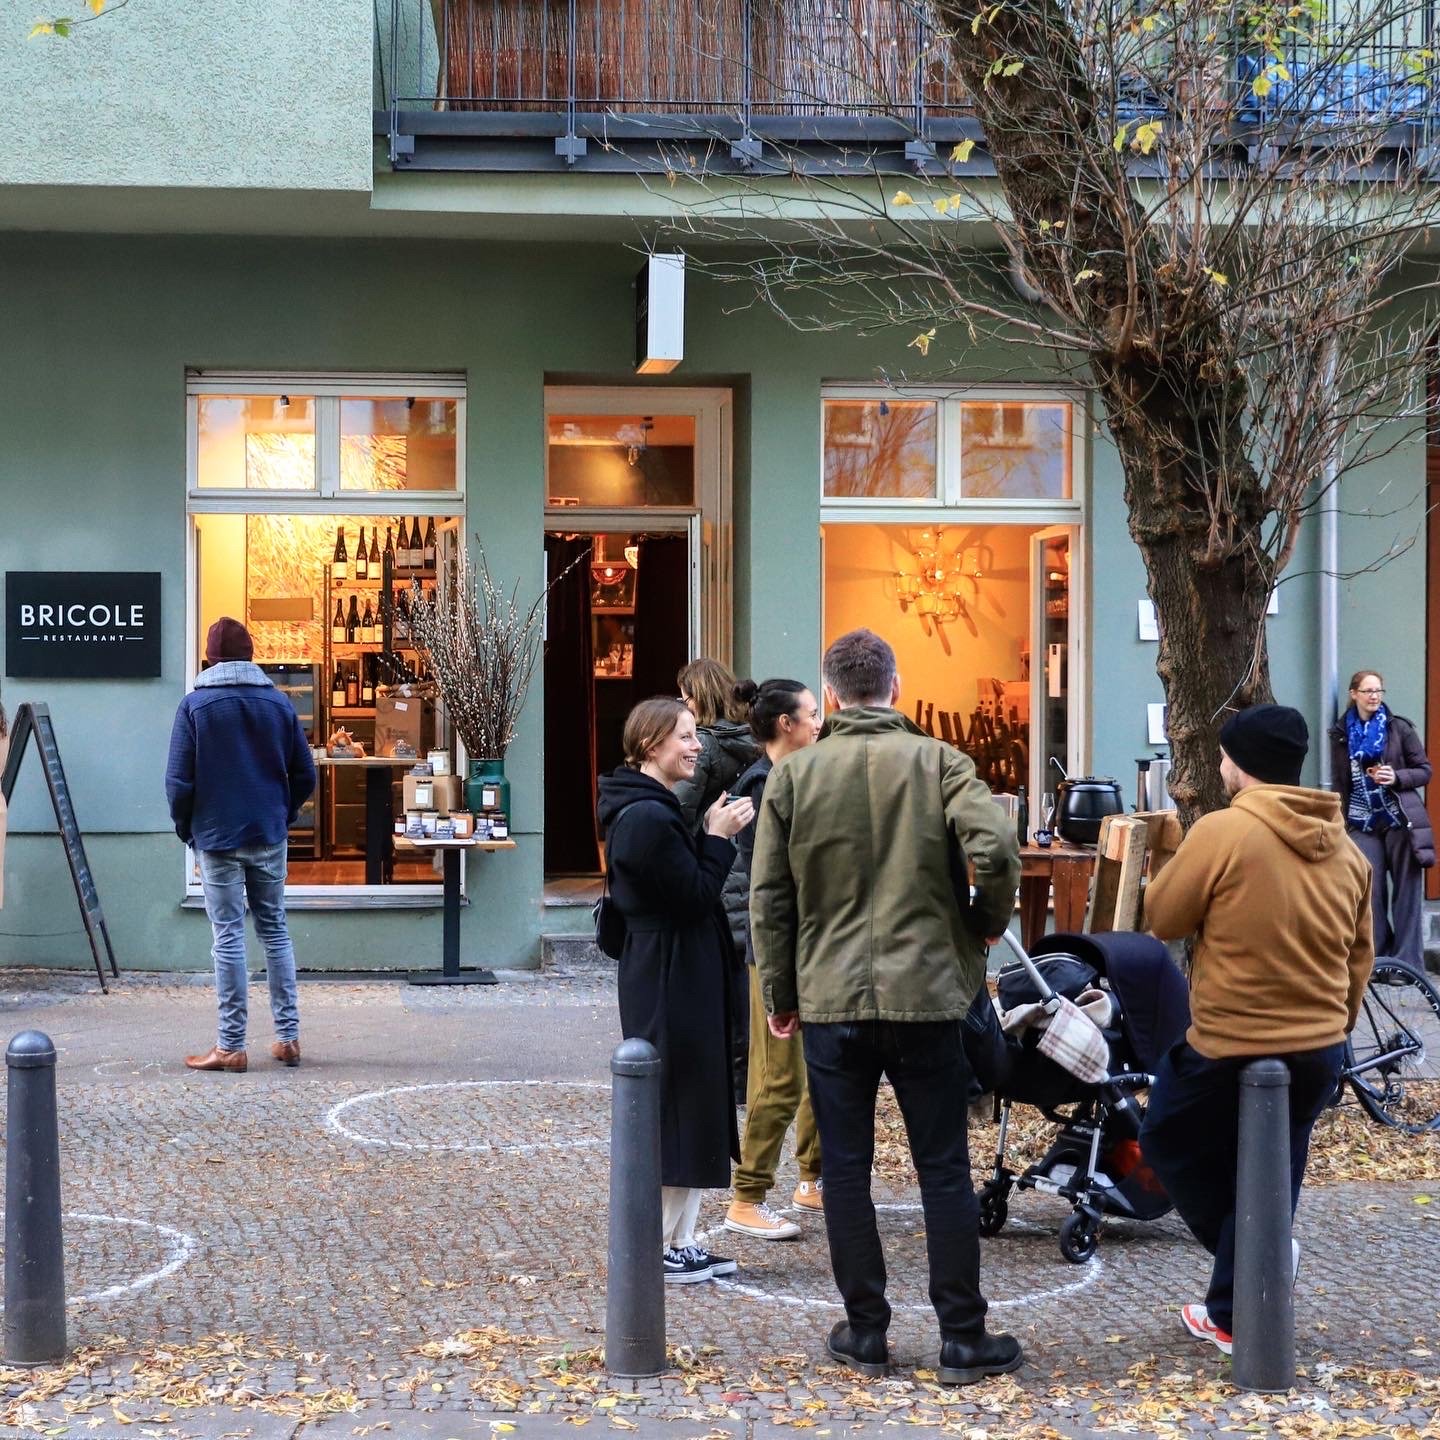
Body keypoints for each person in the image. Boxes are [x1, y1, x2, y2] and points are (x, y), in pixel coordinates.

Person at [750, 628, 1024, 1385]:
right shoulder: (939, 762)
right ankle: (963, 1337)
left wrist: (780, 993)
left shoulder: (795, 777)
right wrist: (983, 926)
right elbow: (997, 849)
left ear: (831, 695)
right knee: (942, 1168)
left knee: (845, 1170)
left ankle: (866, 1332)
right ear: (896, 687)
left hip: (832, 998)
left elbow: (769, 897)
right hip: (929, 993)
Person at [1141, 703, 1374, 1356]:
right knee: (1278, 1169)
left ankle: (1261, 1256)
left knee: (1167, 1137)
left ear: (1240, 764)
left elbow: (1163, 919)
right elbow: (1361, 957)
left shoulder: (1222, 832)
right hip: (1319, 1048)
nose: (1218, 766)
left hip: (1226, 1042)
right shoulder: (1346, 850)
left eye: (1223, 756)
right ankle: (1232, 1310)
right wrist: (1335, 1023)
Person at [597, 696, 754, 1284]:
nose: (696, 747)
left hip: (677, 968)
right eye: (684, 737)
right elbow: (692, 895)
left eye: (695, 735)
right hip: (670, 974)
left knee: (693, 1096)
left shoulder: (650, 807)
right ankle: (662, 1242)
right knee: (678, 1101)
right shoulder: (645, 816)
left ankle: (681, 1239)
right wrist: (716, 837)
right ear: (649, 746)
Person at [165, 618, 316, 1073]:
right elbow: (305, 774)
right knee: (274, 929)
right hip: (268, 833)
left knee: (228, 934)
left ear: (209, 658)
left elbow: (177, 781)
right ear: (252, 654)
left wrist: (186, 828)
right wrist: (282, 813)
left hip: (216, 834)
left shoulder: (195, 706)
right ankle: (288, 1039)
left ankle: (231, 1046)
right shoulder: (279, 704)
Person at [721, 678, 824, 1242]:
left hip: (809, 945)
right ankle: (748, 1195)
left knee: (816, 1074)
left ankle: (812, 1179)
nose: (818, 723)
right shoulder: (763, 784)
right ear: (785, 723)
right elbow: (771, 884)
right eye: (811, 714)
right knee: (779, 1078)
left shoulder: (793, 775)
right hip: (777, 952)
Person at [675, 657, 760, 1099]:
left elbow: (678, 811)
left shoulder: (705, 747)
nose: (681, 703)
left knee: (719, 981)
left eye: (685, 695)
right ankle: (746, 1075)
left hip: (717, 869)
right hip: (749, 867)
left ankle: (729, 1080)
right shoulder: (754, 741)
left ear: (699, 698)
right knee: (744, 980)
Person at [1329, 670, 1434, 970]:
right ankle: (1378, 962)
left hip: (1400, 821)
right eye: (1367, 691)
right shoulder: (1340, 734)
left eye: (1378, 691)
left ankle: (1408, 965)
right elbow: (1338, 782)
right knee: (1369, 894)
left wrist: (1397, 777)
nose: (1374, 696)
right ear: (1354, 694)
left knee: (1407, 894)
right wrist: (1341, 822)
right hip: (1362, 823)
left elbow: (1424, 770)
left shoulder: (1398, 728)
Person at [674, 658, 759, 832]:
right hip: (746, 840)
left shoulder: (701, 743)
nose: (685, 708)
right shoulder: (756, 732)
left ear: (699, 698)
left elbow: (680, 809)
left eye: (686, 701)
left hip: (710, 841)